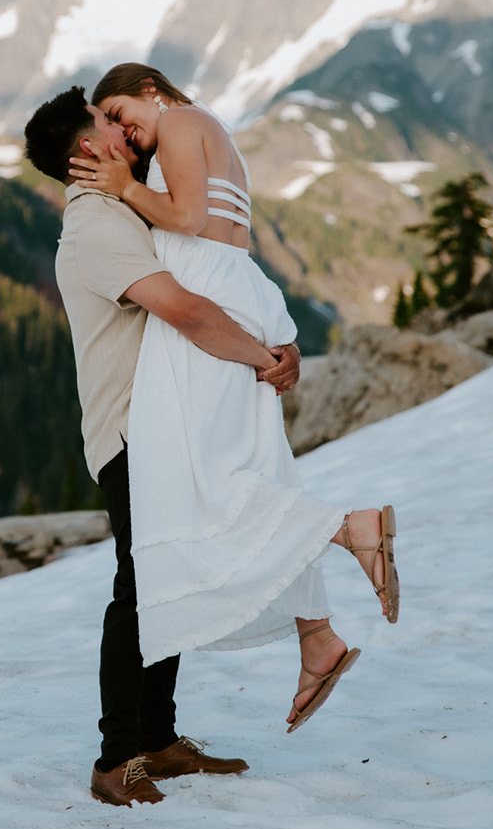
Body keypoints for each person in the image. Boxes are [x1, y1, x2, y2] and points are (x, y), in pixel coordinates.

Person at [68, 64, 398, 731]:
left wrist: (125, 185)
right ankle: (317, 638)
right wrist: (270, 332)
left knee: (209, 478)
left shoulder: (185, 121)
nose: (123, 127)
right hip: (235, 296)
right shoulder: (205, 135)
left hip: (204, 308)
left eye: (122, 110)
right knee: (255, 469)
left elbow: (187, 219)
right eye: (107, 118)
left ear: (153, 91)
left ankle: (351, 529)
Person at [25, 86, 301, 806]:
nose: (122, 131)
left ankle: (157, 739)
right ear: (88, 149)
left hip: (163, 425)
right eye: (105, 123)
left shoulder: (123, 205)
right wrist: (259, 357)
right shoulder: (95, 225)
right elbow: (179, 308)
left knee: (164, 575)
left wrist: (278, 342)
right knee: (138, 588)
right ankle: (116, 760)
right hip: (128, 432)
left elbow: (210, 266)